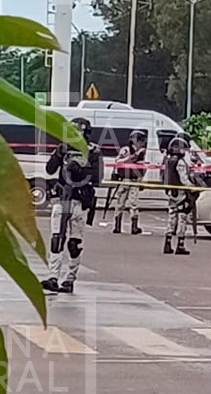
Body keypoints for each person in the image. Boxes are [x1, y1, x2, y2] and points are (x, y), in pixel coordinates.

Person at [42, 117, 102, 294]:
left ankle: (69, 279)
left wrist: (81, 171)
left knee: (74, 242)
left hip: (79, 202)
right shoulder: (63, 147)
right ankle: (53, 276)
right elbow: (50, 169)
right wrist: (58, 154)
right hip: (62, 200)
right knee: (56, 238)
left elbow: (97, 178)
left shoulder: (93, 151)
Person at [162, 135, 197, 256]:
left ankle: (167, 243)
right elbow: (184, 179)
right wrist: (193, 188)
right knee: (182, 218)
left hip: (172, 192)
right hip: (181, 193)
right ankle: (180, 245)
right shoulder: (180, 162)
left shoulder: (168, 161)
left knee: (171, 217)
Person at [111, 129, 147, 235]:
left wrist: (141, 179)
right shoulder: (126, 150)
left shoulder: (142, 152)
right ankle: (117, 226)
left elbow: (142, 167)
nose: (142, 143)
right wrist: (133, 156)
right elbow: (118, 161)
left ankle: (134, 227)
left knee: (134, 203)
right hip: (125, 180)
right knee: (120, 203)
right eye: (141, 140)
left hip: (135, 180)